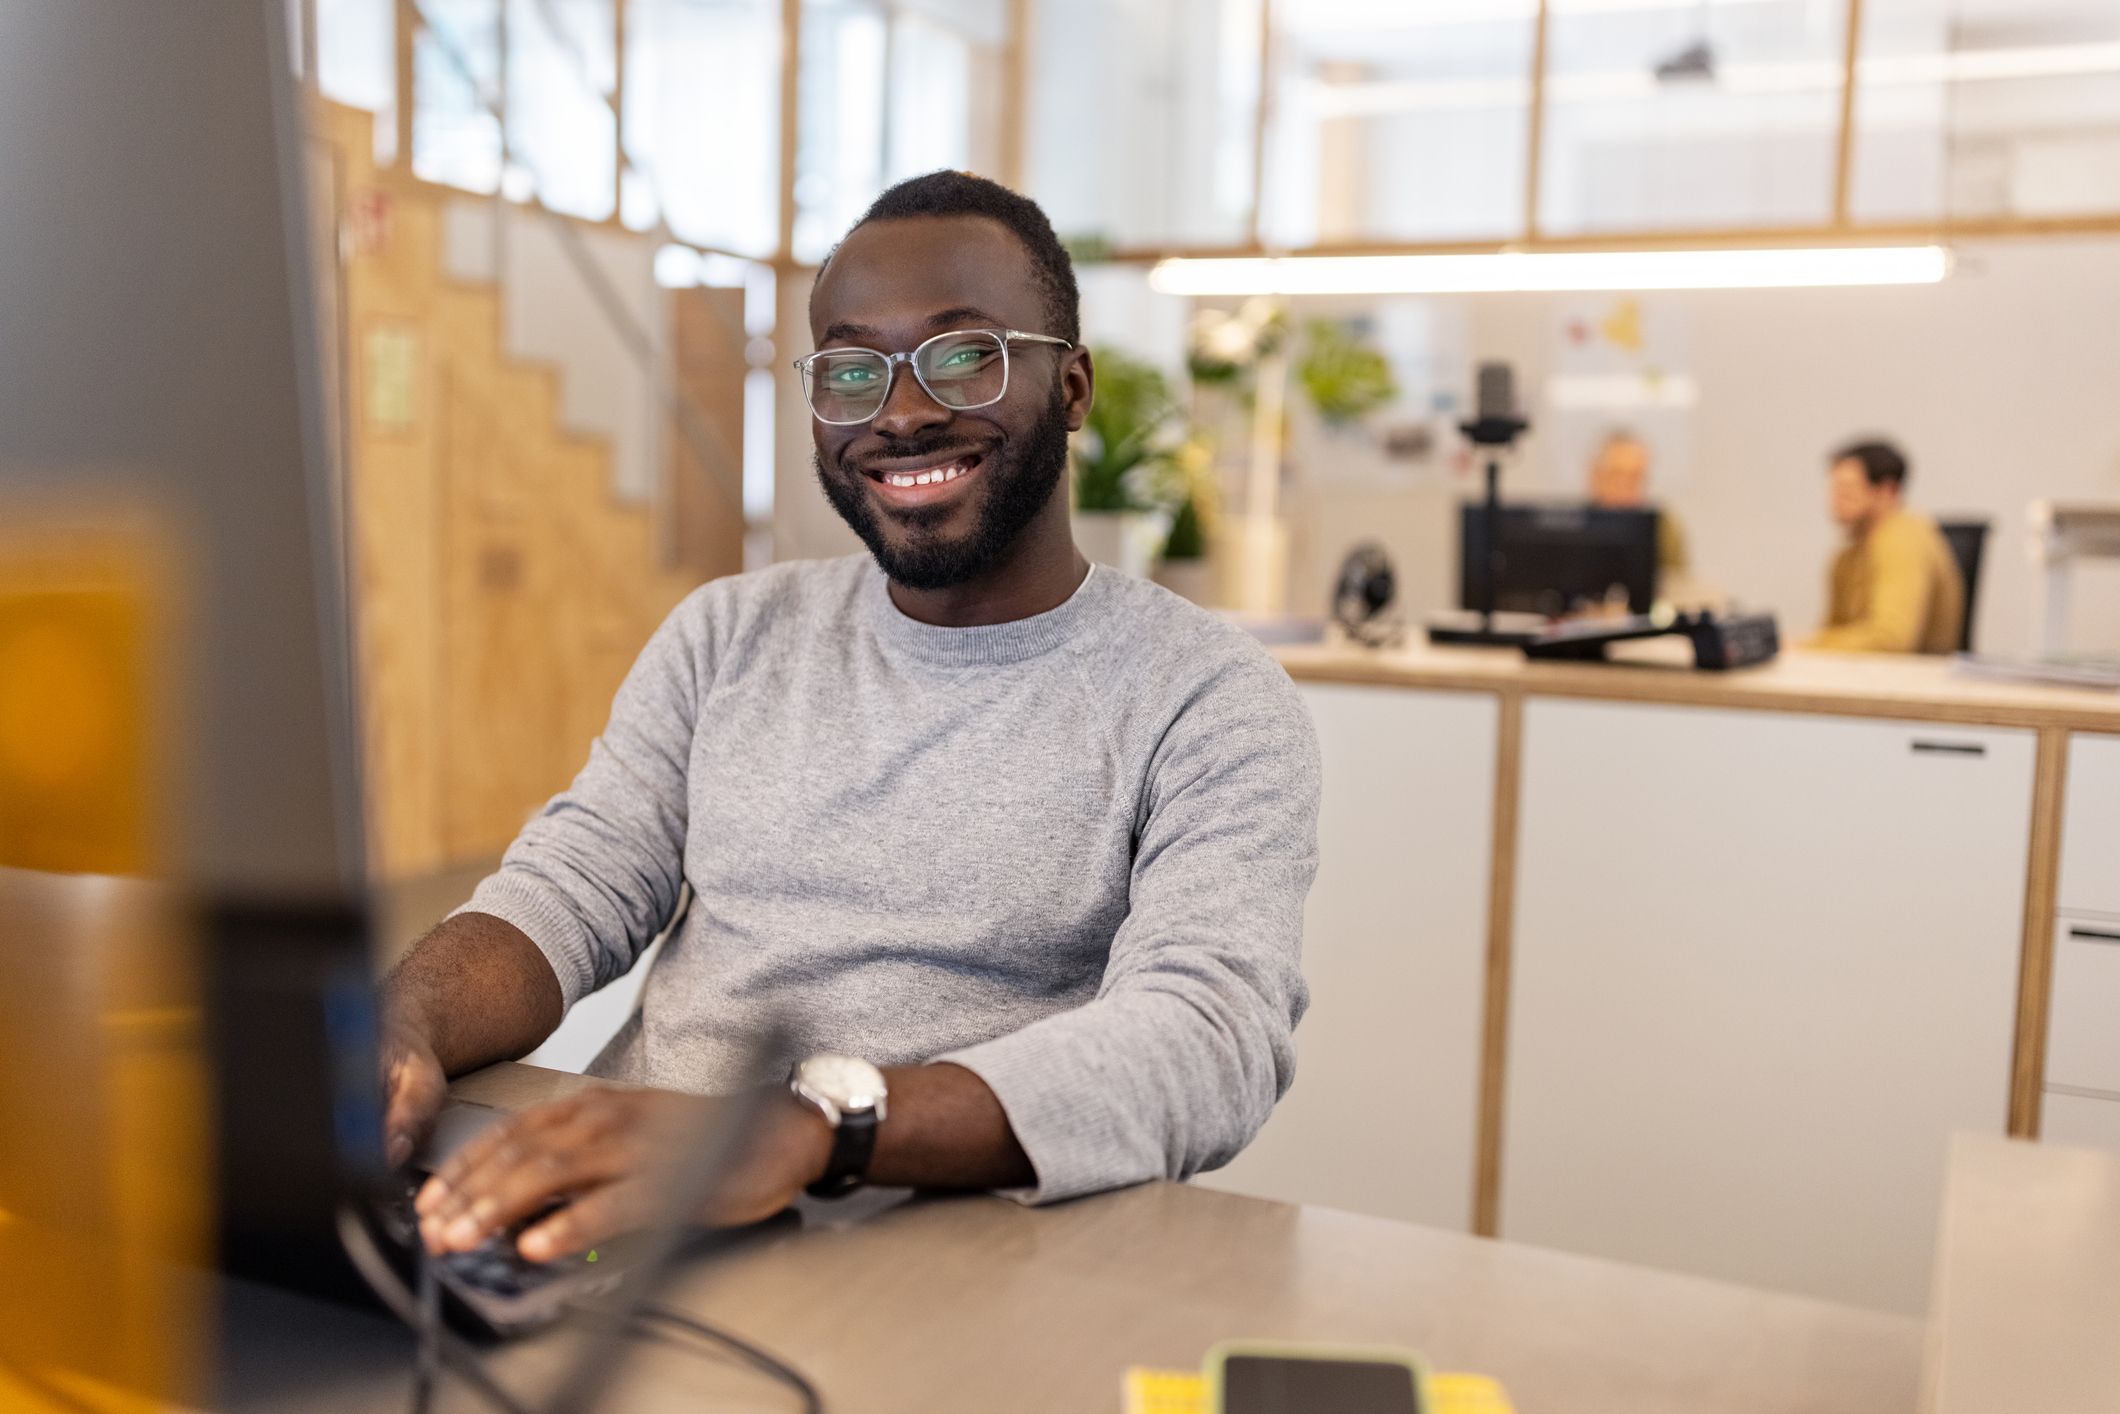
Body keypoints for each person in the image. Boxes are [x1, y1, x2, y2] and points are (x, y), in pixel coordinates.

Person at [384, 171, 1322, 1264]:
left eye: (962, 355)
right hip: (617, 1210)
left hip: (935, 1244)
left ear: (1070, 387)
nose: (902, 411)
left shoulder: (1206, 696)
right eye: (850, 368)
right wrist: (403, 1024)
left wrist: (813, 1126)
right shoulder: (726, 634)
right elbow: (571, 888)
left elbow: (1206, 1039)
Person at [1805, 438, 1965, 655]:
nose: (1835, 500)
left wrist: (1805, 646)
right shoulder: (1847, 556)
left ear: (1887, 491)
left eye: (1848, 489)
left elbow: (1891, 639)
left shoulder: (1904, 538)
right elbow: (1833, 631)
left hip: (1910, 681)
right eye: (1835, 489)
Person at [1587, 429, 1688, 577]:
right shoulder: (1571, 526)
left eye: (1635, 477)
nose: (1626, 486)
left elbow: (1677, 584)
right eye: (1617, 475)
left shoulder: (1662, 528)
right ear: (1595, 476)